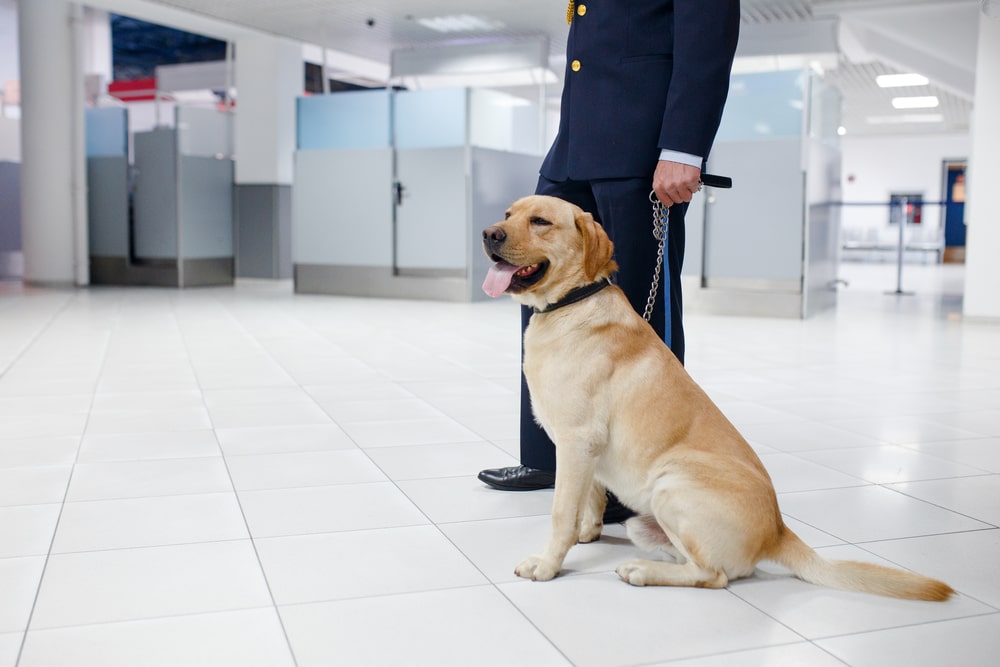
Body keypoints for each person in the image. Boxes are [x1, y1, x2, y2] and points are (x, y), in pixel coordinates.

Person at [478, 0, 741, 520]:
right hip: (574, 148)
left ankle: (634, 477)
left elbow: (706, 35)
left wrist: (683, 147)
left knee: (642, 319)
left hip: (642, 147)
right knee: (537, 289)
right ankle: (555, 460)